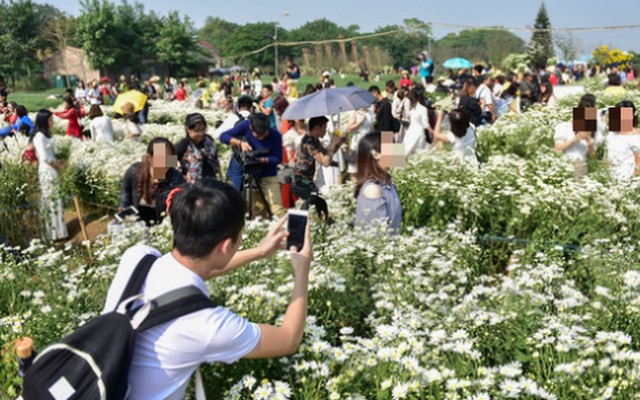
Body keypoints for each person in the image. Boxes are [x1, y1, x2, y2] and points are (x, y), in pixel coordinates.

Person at [104, 177, 313, 399]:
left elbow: (200, 268)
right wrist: (302, 271)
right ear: (225, 246)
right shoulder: (206, 325)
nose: (241, 239)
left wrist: (260, 252)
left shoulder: (139, 258)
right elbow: (288, 339)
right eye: (240, 236)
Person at [219, 113, 284, 217]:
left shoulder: (275, 135)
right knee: (256, 209)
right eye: (258, 135)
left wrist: (262, 160)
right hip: (250, 175)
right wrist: (240, 143)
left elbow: (278, 158)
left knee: (277, 209)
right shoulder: (245, 125)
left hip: (269, 175)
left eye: (264, 134)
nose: (261, 138)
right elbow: (223, 136)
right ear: (251, 128)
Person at [120, 137, 185, 225]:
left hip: (161, 224)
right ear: (150, 157)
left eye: (168, 158)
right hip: (136, 222)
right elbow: (125, 190)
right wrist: (124, 207)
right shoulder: (135, 171)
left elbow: (184, 196)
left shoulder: (175, 177)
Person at [354, 131, 402, 233]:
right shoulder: (373, 190)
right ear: (376, 154)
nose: (398, 151)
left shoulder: (388, 184)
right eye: (392, 147)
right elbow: (377, 236)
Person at [32, 109, 68, 241]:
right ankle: (53, 233)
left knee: (56, 199)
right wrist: (60, 165)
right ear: (44, 121)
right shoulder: (39, 137)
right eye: (50, 119)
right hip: (48, 170)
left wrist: (61, 163)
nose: (52, 122)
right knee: (51, 199)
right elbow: (45, 158)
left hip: (52, 169)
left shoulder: (46, 135)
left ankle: (59, 232)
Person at [291, 116, 341, 201]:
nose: (325, 131)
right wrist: (332, 145)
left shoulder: (315, 140)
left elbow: (326, 154)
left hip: (306, 181)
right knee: (317, 203)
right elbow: (325, 162)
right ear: (317, 127)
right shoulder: (309, 142)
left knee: (315, 205)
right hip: (301, 182)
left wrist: (337, 144)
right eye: (324, 128)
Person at [554, 94, 605, 177]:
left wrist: (590, 144)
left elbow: (592, 157)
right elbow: (557, 149)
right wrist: (574, 139)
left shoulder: (592, 132)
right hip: (564, 165)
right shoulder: (564, 127)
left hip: (581, 166)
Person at [175, 113, 221, 184]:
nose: (201, 133)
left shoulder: (209, 140)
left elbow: (215, 158)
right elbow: (170, 160)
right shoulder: (184, 144)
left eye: (203, 129)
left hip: (211, 181)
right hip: (193, 185)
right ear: (188, 130)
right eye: (197, 130)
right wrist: (182, 174)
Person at [606, 101, 640, 182]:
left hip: (626, 179)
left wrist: (631, 182)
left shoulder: (636, 137)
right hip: (610, 178)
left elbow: (638, 163)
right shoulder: (612, 133)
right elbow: (607, 156)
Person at [403, 88, 431, 156]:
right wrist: (434, 132)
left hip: (411, 131)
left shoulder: (412, 108)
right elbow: (425, 124)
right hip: (418, 132)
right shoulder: (422, 108)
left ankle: (394, 164)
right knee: (420, 153)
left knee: (405, 150)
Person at [345, 107, 373, 174]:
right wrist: (361, 122)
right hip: (358, 139)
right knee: (356, 164)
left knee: (367, 162)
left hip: (368, 139)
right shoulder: (355, 112)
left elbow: (372, 127)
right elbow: (349, 128)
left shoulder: (370, 111)